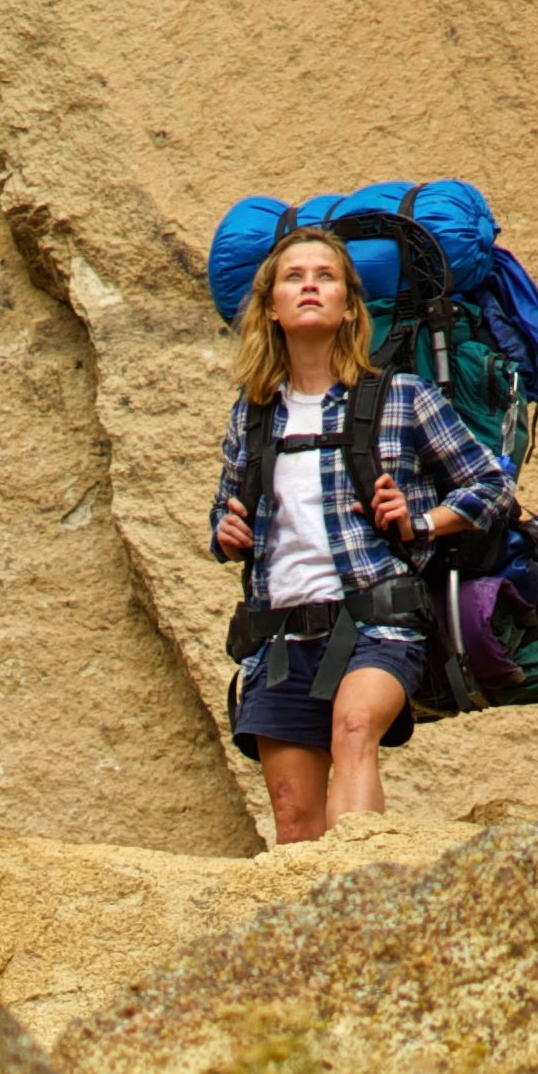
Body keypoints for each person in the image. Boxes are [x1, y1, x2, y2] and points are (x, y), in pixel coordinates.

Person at [212, 228, 517, 845]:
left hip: (379, 621)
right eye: (292, 277)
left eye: (325, 277)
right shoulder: (253, 413)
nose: (308, 287)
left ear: (351, 306)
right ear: (270, 306)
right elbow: (226, 517)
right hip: (278, 636)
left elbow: (492, 487)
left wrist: (421, 520)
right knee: (295, 824)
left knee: (353, 730)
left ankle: (362, 905)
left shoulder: (401, 397)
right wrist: (227, 531)